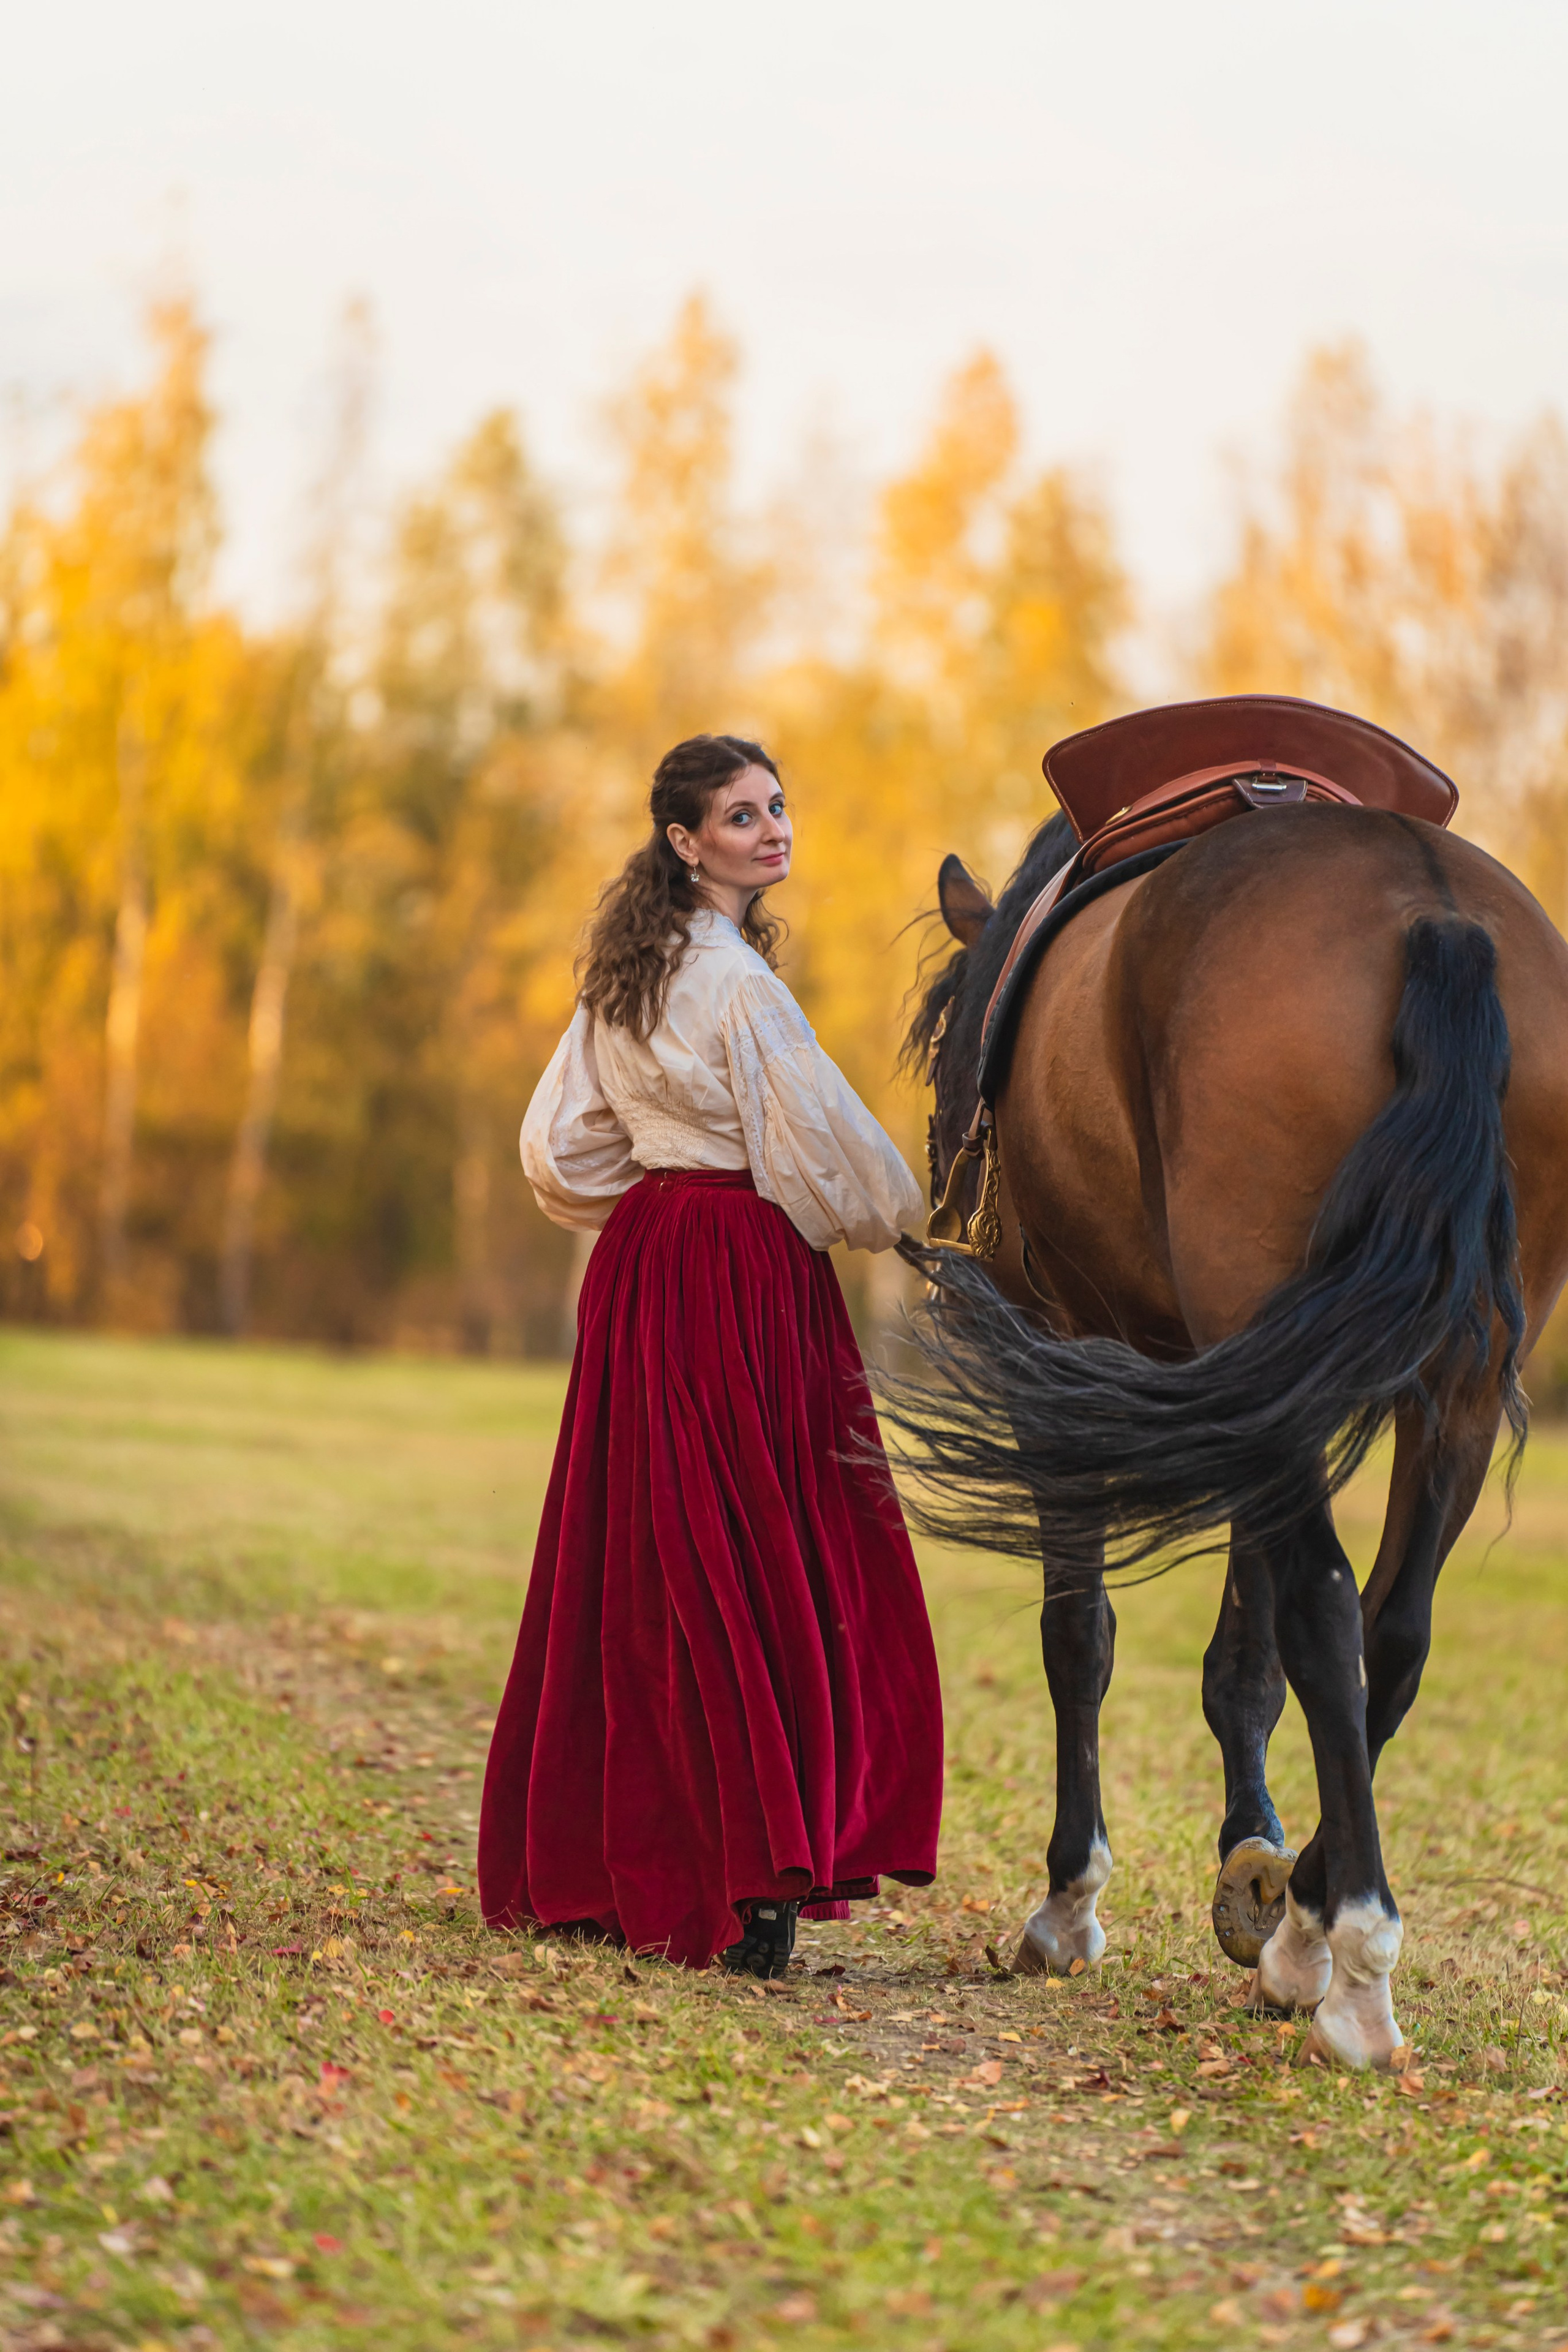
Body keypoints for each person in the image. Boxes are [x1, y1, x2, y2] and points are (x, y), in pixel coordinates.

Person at [478, 733, 943, 1977]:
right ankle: (750, 1873)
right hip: (741, 1270)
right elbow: (831, 1158)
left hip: (647, 1262)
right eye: (743, 816)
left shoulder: (624, 976)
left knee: (646, 1552)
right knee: (757, 1548)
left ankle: (641, 1857)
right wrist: (902, 1224)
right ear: (685, 842)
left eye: (778, 807)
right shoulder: (740, 988)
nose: (773, 829)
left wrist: (654, 1191)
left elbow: (557, 1146)